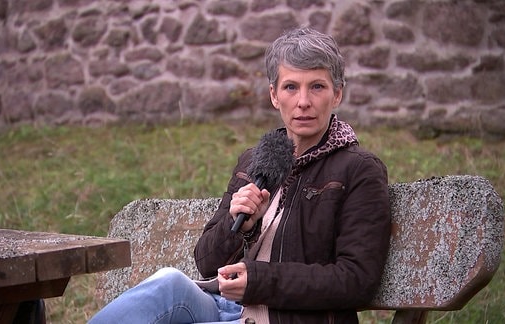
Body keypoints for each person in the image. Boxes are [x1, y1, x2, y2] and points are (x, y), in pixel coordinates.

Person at [89, 26, 391, 324]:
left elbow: (356, 279)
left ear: (337, 94)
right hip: (226, 308)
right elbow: (207, 264)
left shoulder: (358, 169)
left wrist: (259, 280)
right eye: (290, 87)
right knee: (169, 283)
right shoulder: (257, 159)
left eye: (317, 87)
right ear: (274, 95)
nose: (303, 102)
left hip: (287, 318)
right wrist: (244, 227)